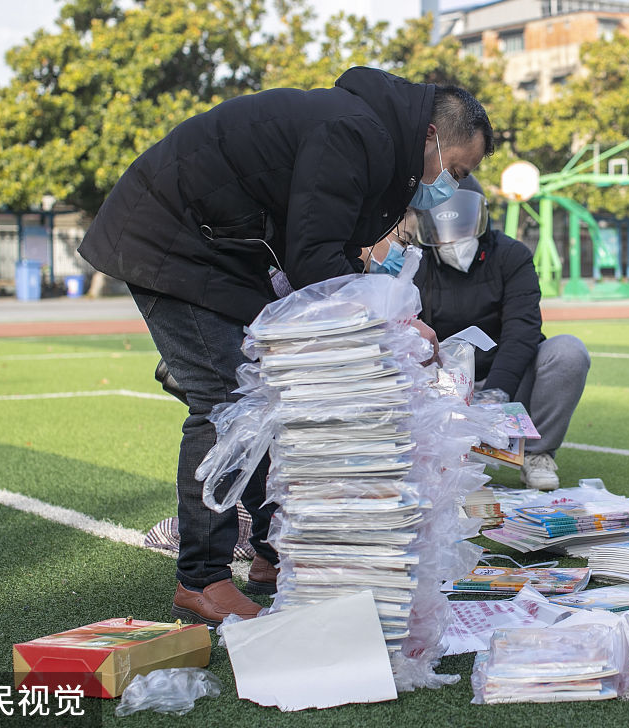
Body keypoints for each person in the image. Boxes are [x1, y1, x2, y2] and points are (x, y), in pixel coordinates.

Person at [78, 67, 493, 625]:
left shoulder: (376, 145)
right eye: (456, 168)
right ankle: (202, 579)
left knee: (275, 394)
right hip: (170, 240)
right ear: (430, 137)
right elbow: (314, 260)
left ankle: (276, 551)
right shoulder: (357, 133)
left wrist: (384, 312)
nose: (449, 183)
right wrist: (392, 323)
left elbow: (334, 259)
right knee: (226, 404)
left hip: (220, 250)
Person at [404, 176, 591, 490]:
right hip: (445, 384)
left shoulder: (512, 255)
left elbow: (523, 329)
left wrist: (497, 393)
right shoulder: (417, 261)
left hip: (507, 382)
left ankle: (537, 453)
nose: (453, 237)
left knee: (568, 352)